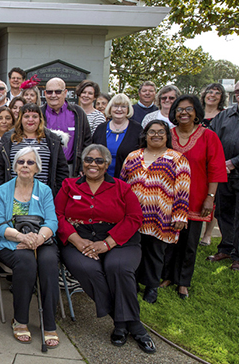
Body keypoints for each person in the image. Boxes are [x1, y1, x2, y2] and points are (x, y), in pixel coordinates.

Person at [55, 144, 156, 353]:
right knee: (89, 270)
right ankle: (129, 324)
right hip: (79, 240)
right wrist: (76, 240)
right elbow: (58, 216)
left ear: (107, 164)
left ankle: (125, 325)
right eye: (88, 159)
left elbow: (135, 218)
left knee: (118, 267)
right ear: (82, 163)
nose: (93, 164)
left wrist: (107, 243)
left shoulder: (122, 187)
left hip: (118, 240)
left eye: (99, 160)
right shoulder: (68, 185)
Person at [161, 95, 227, 298]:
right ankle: (167, 276)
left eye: (188, 109)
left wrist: (210, 197)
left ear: (197, 112)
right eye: (179, 109)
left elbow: (215, 168)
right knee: (169, 240)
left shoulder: (208, 136)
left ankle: (183, 282)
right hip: (168, 197)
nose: (183, 113)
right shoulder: (167, 135)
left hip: (197, 197)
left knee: (189, 242)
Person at [0, 147, 59, 348]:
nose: (25, 166)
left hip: (41, 240)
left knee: (49, 262)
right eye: (21, 162)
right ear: (15, 166)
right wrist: (22, 236)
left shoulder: (45, 190)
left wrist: (38, 239)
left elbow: (52, 221)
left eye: (30, 162)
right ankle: (20, 320)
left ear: (37, 167)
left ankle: (49, 323)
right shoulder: (2, 190)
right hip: (10, 242)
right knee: (27, 262)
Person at [121, 120, 190, 303]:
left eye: (161, 132)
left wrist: (180, 215)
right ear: (145, 135)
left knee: (155, 253)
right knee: (133, 251)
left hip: (161, 216)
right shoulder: (133, 157)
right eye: (152, 132)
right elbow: (122, 185)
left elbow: (183, 189)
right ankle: (132, 283)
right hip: (133, 216)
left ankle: (152, 287)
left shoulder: (177, 159)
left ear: (167, 135)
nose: (156, 135)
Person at [207, 76, 239, 271]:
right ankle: (226, 248)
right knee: (223, 212)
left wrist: (235, 162)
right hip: (223, 174)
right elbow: (211, 137)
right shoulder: (225, 115)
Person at [0, 103, 68, 195]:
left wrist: (55, 194)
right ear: (20, 119)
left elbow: (61, 170)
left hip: (43, 195)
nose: (30, 120)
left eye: (34, 116)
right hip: (13, 195)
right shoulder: (8, 139)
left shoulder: (52, 140)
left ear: (40, 119)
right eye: (26, 116)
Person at [42, 77, 92, 177]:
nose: (53, 95)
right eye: (49, 92)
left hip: (71, 169)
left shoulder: (78, 113)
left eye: (57, 92)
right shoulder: (38, 113)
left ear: (65, 93)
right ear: (44, 93)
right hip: (44, 169)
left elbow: (87, 141)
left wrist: (83, 165)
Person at [199, 83, 227, 246]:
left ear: (221, 97)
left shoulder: (224, 115)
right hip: (197, 160)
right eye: (209, 91)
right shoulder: (197, 113)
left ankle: (207, 234)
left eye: (217, 93)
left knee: (213, 198)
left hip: (215, 159)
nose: (212, 95)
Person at [92, 94, 142, 177]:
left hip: (128, 178)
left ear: (128, 109)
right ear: (110, 108)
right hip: (100, 178)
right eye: (115, 106)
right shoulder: (101, 128)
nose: (119, 109)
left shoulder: (137, 129)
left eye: (123, 106)